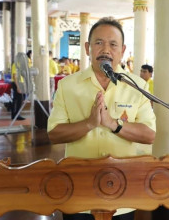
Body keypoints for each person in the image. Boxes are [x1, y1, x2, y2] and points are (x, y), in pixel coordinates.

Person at [47, 17, 156, 220]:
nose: (106, 50)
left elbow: (149, 135)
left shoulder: (137, 86)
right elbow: (54, 134)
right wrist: (89, 124)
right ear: (88, 48)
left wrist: (113, 124)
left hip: (123, 192)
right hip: (77, 190)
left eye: (113, 44)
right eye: (99, 43)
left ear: (122, 51)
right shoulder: (67, 85)